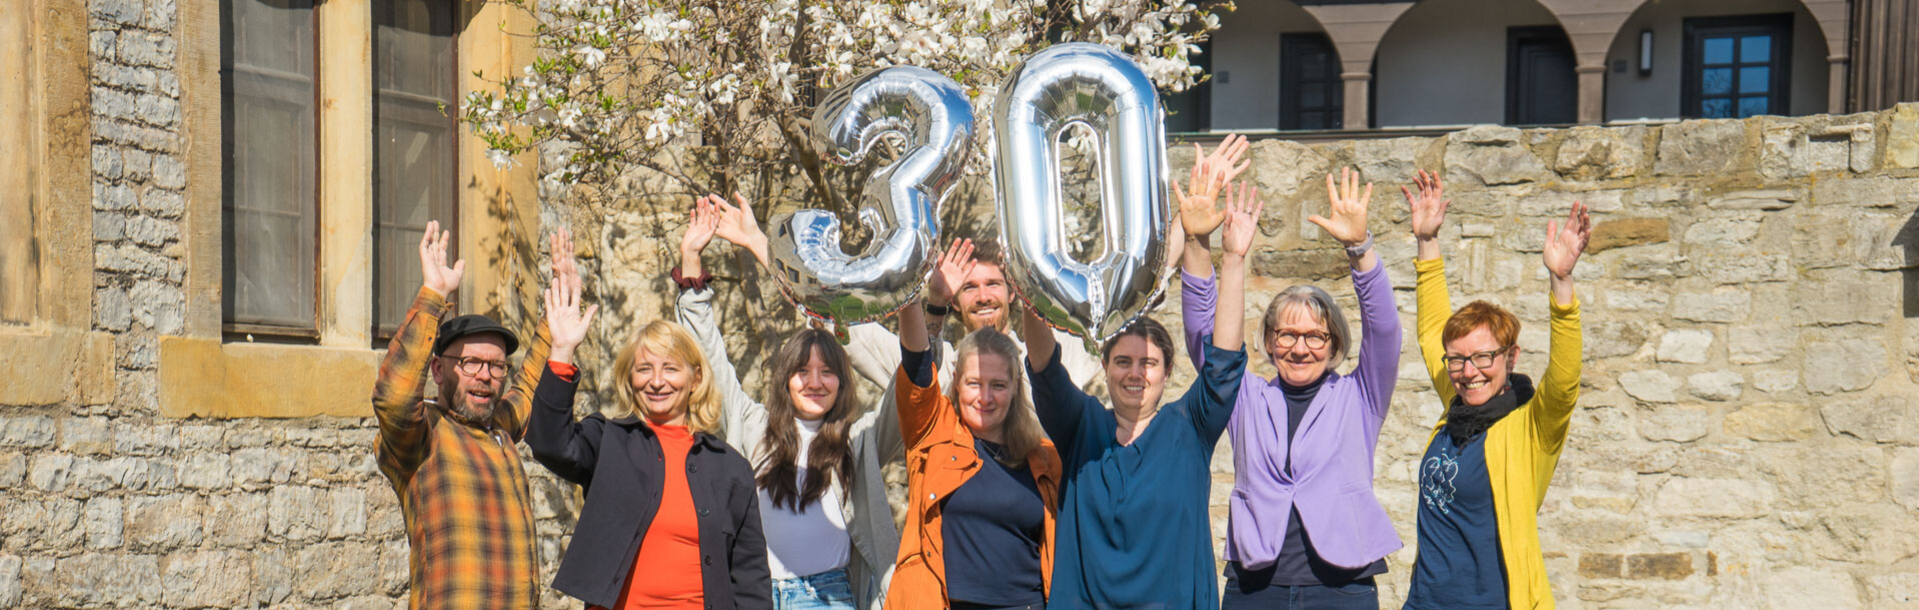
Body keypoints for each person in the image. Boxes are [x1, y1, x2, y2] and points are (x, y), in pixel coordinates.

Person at [1023, 178, 1259, 610]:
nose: (1135, 373)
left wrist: (1233, 258)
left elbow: (1224, 363)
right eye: (1123, 362)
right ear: (1105, 367)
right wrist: (1027, 287)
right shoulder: (1084, 428)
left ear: (1167, 373)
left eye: (1148, 363)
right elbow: (1045, 370)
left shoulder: (1188, 429)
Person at [1184, 168, 1404, 608]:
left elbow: (1385, 331)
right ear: (1268, 342)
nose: (1299, 348)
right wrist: (1198, 245)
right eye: (1286, 334)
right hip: (1255, 590)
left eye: (1315, 336)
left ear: (1334, 343)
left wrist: (1360, 250)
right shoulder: (1247, 398)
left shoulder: (1359, 397)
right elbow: (1203, 337)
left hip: (1342, 588)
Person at [675, 197, 904, 610]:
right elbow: (708, 356)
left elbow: (914, 380)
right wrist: (691, 259)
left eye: (827, 371)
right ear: (784, 380)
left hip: (828, 597)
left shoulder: (859, 441)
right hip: (756, 596)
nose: (814, 382)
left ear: (843, 380)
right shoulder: (753, 426)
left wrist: (762, 245)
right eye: (802, 371)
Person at [525, 228, 772, 610]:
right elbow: (548, 443)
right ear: (629, 378)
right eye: (644, 369)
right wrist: (561, 349)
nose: (657, 381)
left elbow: (751, 579)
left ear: (695, 379)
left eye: (671, 369)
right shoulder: (606, 441)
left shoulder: (731, 468)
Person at [696, 193, 1106, 399]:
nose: (982, 296)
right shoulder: (937, 369)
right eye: (969, 287)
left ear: (1013, 293)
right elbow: (836, 314)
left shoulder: (1057, 358)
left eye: (993, 284)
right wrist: (756, 242)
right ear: (956, 302)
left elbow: (1121, 319)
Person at [1402, 171, 1590, 610]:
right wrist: (1427, 243)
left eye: (1484, 357)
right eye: (1459, 360)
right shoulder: (1456, 403)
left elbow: (1562, 385)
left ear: (1511, 357)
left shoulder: (1529, 431)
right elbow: (1433, 332)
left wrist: (1561, 286)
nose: (1470, 372)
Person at [371, 221, 550, 610]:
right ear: (438, 370)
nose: (485, 376)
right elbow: (393, 398)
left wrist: (555, 327)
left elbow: (531, 385)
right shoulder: (421, 437)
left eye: (496, 366)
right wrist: (433, 295)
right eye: (470, 363)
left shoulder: (499, 425)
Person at [884, 246, 1062, 610]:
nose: (985, 397)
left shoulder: (1042, 458)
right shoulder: (933, 435)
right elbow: (917, 364)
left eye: (998, 385)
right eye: (974, 384)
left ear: (1015, 389)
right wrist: (908, 286)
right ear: (956, 382)